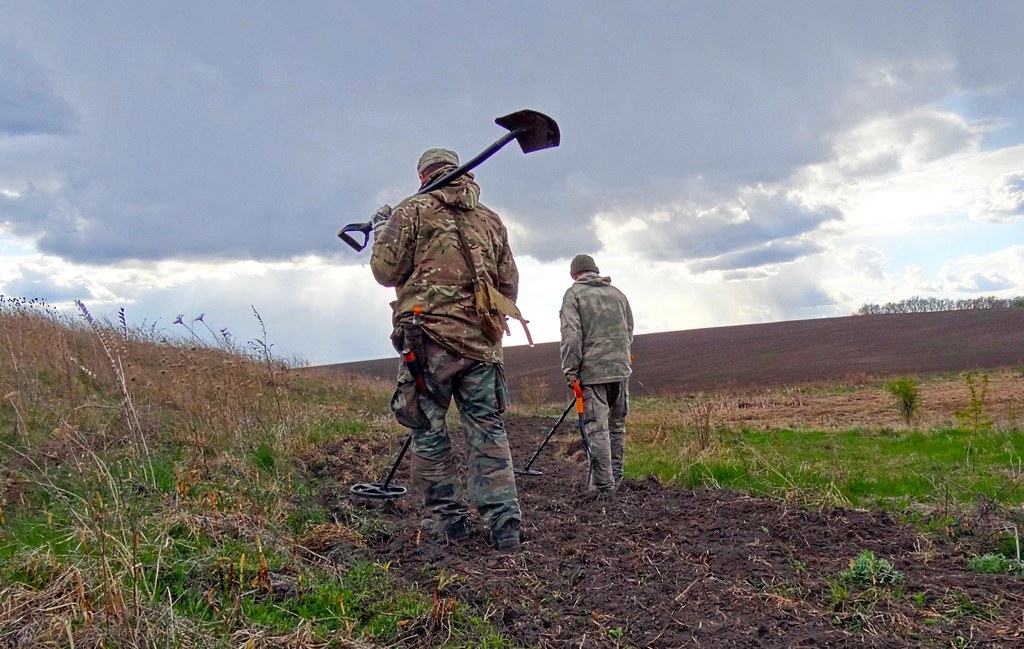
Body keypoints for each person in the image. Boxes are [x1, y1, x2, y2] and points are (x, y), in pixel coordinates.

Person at [369, 147, 524, 550]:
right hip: (482, 345)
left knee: (427, 428)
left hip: (427, 340)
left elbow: (385, 272)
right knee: (488, 430)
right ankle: (506, 525)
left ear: (423, 176)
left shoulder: (412, 210)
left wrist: (382, 228)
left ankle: (450, 521)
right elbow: (508, 286)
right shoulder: (490, 220)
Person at [559, 254, 634, 497]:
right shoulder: (618, 294)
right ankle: (616, 481)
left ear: (574, 274)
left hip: (592, 375)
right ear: (596, 270)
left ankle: (603, 488)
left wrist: (571, 370)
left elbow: (571, 335)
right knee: (617, 426)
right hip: (620, 371)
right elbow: (629, 330)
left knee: (597, 429)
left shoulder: (574, 295)